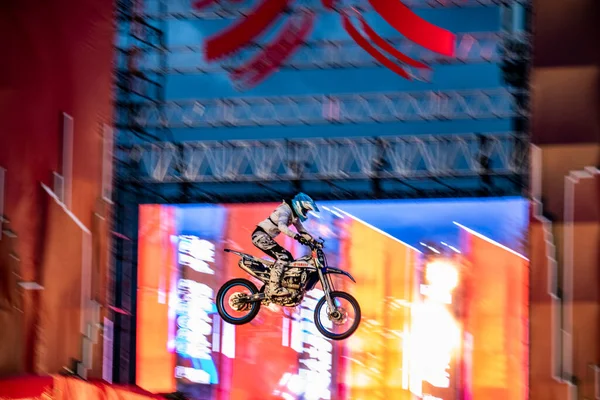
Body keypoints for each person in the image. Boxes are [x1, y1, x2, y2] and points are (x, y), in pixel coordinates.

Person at [251, 193, 319, 297]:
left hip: (265, 237)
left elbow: (302, 230)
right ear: (300, 205)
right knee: (284, 257)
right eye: (305, 210)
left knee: (290, 261)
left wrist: (314, 242)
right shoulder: (285, 210)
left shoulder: (293, 215)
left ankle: (279, 283)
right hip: (260, 236)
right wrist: (296, 236)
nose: (306, 213)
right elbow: (282, 227)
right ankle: (274, 288)